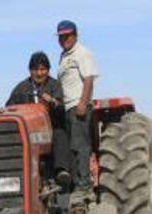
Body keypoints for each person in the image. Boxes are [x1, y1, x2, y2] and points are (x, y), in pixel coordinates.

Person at [6, 51, 71, 185]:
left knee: (60, 133)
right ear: (30, 71)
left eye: (42, 69)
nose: (39, 73)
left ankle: (61, 171)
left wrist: (52, 101)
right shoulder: (21, 88)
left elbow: (61, 107)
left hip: (50, 128)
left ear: (48, 70)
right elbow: (8, 108)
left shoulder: (55, 85)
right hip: (27, 133)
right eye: (35, 69)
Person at [56, 20, 99, 202]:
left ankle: (84, 187)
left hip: (78, 106)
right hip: (67, 108)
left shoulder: (82, 53)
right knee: (71, 147)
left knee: (80, 146)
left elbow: (88, 79)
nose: (64, 39)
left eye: (67, 35)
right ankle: (75, 184)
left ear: (75, 35)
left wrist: (83, 103)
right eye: (61, 37)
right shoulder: (64, 56)